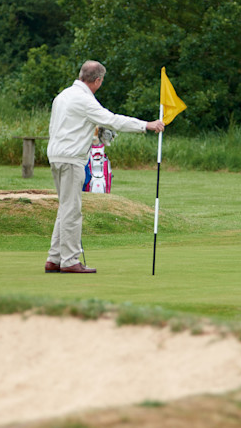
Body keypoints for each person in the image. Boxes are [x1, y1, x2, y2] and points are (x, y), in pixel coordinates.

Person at [45, 60, 164, 273]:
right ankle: (70, 261)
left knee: (65, 207)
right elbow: (113, 120)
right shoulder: (85, 100)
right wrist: (146, 125)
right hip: (71, 159)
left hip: (56, 156)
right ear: (98, 80)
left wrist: (92, 138)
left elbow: (69, 128)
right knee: (72, 210)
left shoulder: (62, 96)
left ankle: (54, 258)